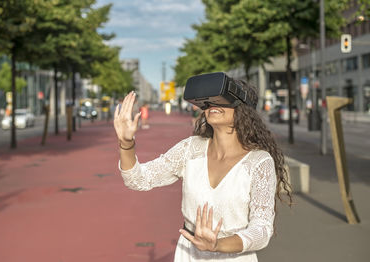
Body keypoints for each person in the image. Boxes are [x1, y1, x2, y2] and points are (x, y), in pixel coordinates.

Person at [113, 80, 292, 262]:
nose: (212, 105)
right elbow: (138, 180)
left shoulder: (259, 161)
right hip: (189, 254)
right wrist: (126, 143)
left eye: (220, 99)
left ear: (243, 108)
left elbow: (262, 228)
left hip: (234, 257)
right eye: (208, 101)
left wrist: (217, 245)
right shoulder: (190, 149)